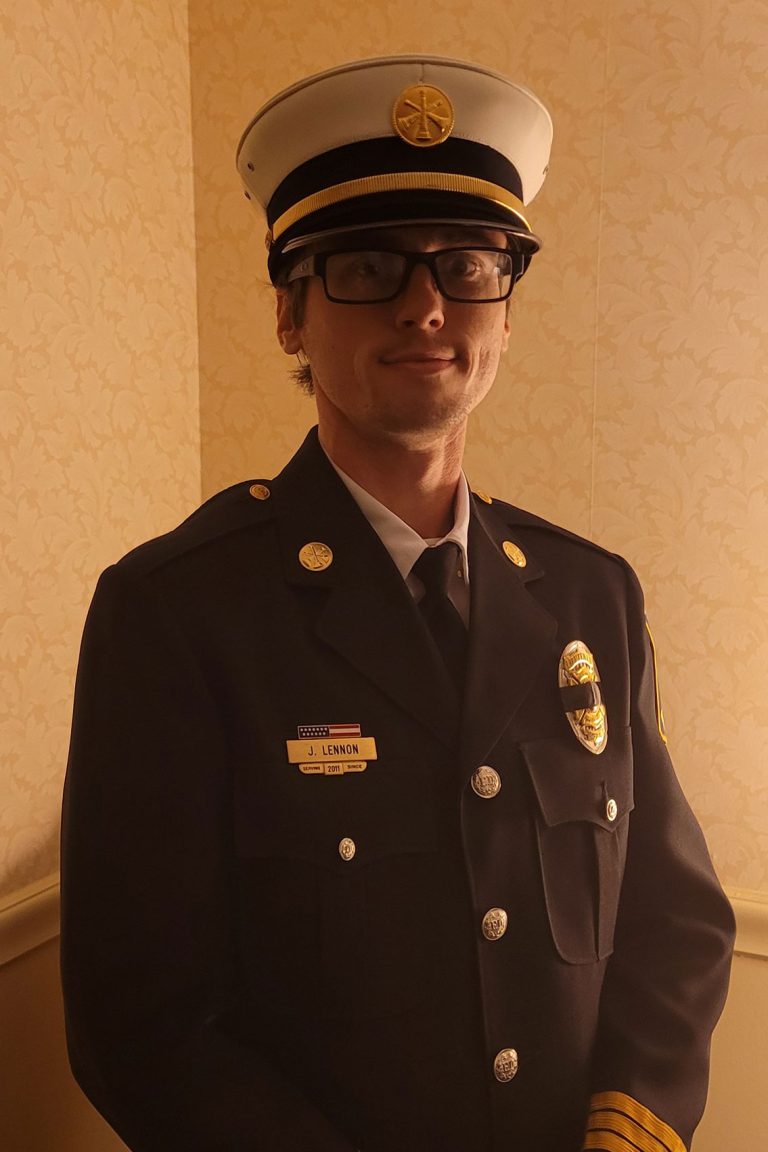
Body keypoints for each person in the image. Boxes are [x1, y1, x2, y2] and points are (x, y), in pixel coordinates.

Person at [61, 55, 735, 1152]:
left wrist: (630, 1127)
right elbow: (143, 1024)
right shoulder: (176, 613)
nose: (427, 306)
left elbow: (676, 917)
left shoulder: (589, 595)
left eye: (470, 266)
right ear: (289, 314)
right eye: (370, 267)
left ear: (505, 316)